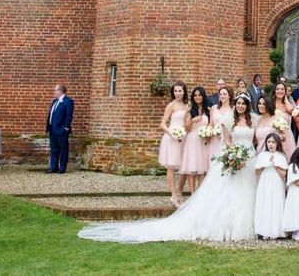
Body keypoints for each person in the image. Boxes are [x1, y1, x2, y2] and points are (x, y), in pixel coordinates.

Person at [79, 93, 258, 242]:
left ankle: (248, 225)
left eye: (244, 104)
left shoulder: (253, 121)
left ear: (248, 106)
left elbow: (256, 140)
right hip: (232, 158)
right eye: (239, 103)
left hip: (249, 158)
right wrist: (233, 156)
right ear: (236, 105)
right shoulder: (228, 120)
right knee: (227, 192)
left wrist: (246, 156)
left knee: (248, 191)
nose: (241, 106)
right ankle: (226, 227)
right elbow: (227, 141)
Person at [157, 82, 189, 206]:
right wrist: (172, 133)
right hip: (172, 138)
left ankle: (180, 192)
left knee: (184, 166)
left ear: (184, 92)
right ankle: (173, 196)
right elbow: (163, 124)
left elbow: (187, 123)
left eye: (180, 91)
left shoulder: (187, 105)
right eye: (175, 91)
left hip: (183, 137)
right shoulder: (171, 105)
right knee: (171, 166)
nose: (177, 93)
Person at [254, 132, 288, 239]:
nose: (271, 144)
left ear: (277, 143)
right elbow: (257, 172)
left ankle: (276, 230)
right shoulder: (262, 155)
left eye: (273, 142)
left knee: (276, 203)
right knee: (265, 203)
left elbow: (284, 175)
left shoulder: (281, 156)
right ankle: (263, 230)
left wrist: (275, 165)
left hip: (277, 183)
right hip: (264, 182)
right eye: (269, 142)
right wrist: (264, 164)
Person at [181, 86, 211, 192]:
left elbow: (210, 125)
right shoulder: (190, 110)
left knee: (201, 168)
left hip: (203, 141)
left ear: (203, 96)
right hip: (193, 140)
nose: (197, 97)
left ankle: (200, 193)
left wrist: (208, 134)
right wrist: (192, 120)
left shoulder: (208, 110)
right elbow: (186, 128)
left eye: (199, 95)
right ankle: (192, 193)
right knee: (192, 167)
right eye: (195, 95)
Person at [46, 84, 74, 174]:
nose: (54, 92)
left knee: (63, 149)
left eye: (55, 90)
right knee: (54, 149)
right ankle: (53, 167)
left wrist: (66, 128)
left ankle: (62, 168)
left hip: (61, 130)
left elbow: (69, 115)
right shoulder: (55, 101)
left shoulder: (68, 101)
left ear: (60, 91)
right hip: (52, 129)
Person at [270, 81, 297, 155]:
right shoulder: (271, 104)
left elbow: (291, 111)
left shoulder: (288, 104)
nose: (280, 91)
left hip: (287, 137)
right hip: (274, 136)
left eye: (282, 89)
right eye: (278, 89)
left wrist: (285, 98)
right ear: (274, 91)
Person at [208, 87, 234, 158]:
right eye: (220, 94)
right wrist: (209, 133)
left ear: (230, 96)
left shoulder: (233, 109)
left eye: (224, 94)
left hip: (227, 140)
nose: (222, 96)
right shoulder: (214, 108)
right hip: (214, 139)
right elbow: (211, 124)